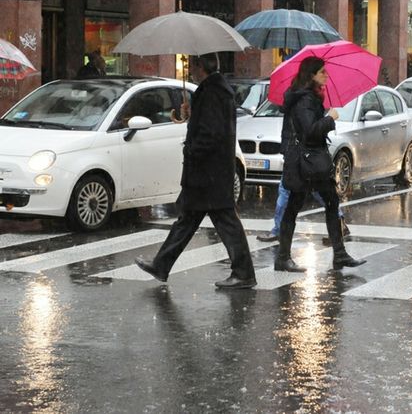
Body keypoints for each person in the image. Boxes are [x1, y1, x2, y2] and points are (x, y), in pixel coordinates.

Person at [135, 53, 256, 289]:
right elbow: (211, 125)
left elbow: (210, 134)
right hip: (211, 172)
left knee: (222, 221)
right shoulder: (216, 91)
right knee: (189, 219)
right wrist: (193, 115)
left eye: (192, 64)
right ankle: (161, 265)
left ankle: (243, 273)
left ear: (202, 66)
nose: (190, 69)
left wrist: (192, 150)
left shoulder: (211, 93)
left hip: (207, 172)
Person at [274, 56, 366, 272]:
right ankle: (284, 257)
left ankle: (339, 254)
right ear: (312, 75)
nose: (327, 75)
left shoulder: (308, 97)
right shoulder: (305, 99)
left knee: (328, 202)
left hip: (308, 160)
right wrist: (330, 118)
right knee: (297, 206)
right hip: (304, 162)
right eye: (322, 72)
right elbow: (309, 132)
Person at [256, 175, 350, 244]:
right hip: (312, 159)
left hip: (301, 158)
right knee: (320, 192)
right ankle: (340, 227)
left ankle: (279, 230)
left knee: (286, 189)